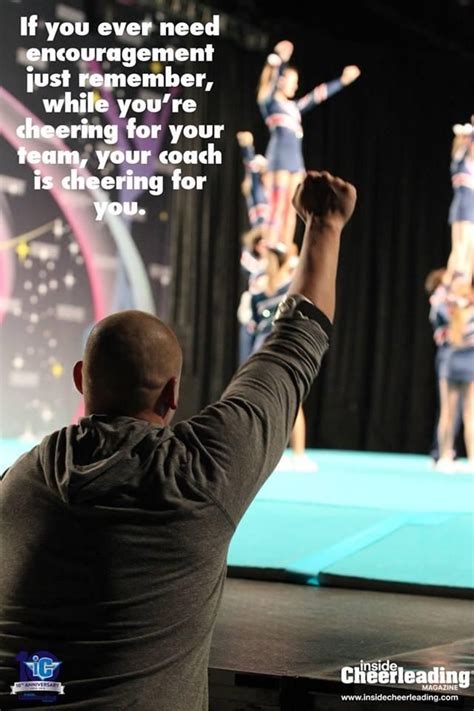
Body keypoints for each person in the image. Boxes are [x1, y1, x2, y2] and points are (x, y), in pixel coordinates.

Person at [0, 171, 357, 710]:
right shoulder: (199, 475)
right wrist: (324, 226)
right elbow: (293, 343)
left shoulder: (20, 480)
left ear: (80, 380)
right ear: (172, 394)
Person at [257, 39, 360, 247]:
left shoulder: (294, 107)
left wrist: (342, 81)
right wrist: (280, 61)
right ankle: (270, 247)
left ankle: (285, 248)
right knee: (278, 206)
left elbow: (317, 95)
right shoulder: (270, 102)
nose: (296, 85)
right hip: (278, 158)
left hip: (295, 160)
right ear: (281, 80)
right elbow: (270, 81)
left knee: (293, 208)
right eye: (292, 80)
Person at [429, 270, 474, 471]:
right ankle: (445, 454)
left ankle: (470, 457)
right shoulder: (443, 302)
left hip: (468, 358)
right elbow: (437, 321)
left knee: (468, 412)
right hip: (451, 357)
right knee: (448, 411)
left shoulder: (466, 304)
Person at [446, 118, 474, 283]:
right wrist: (467, 134)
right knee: (460, 249)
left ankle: (464, 289)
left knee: (470, 252)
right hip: (463, 207)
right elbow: (462, 145)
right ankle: (451, 288)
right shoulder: (460, 160)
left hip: (470, 207)